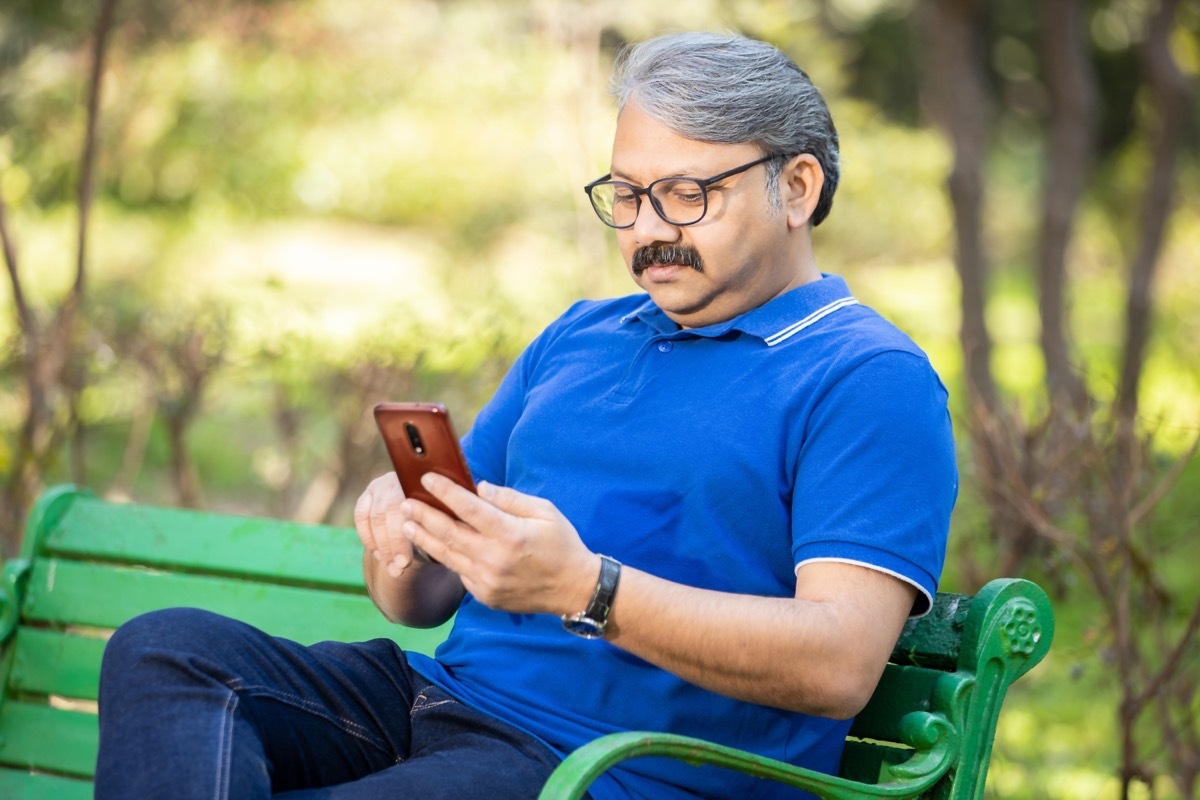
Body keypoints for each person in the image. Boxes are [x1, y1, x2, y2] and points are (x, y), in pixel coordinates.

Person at [95, 31, 957, 800]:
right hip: (444, 701)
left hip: (604, 765)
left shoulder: (866, 378)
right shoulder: (580, 335)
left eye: (686, 194)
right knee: (169, 653)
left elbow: (840, 660)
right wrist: (403, 540)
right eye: (625, 195)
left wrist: (588, 589)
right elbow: (421, 599)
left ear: (796, 186)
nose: (647, 229)